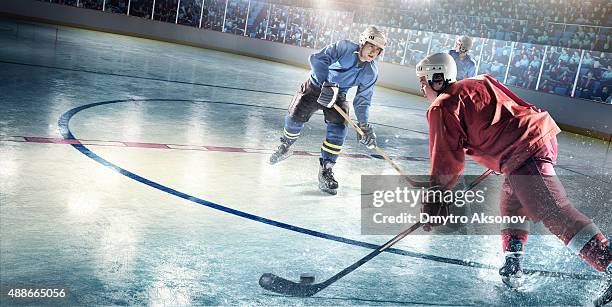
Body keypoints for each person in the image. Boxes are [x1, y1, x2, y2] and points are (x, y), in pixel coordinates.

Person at [415, 53, 611, 305]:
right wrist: (500, 152)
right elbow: (509, 109)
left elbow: (445, 159)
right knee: (512, 201)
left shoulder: (442, 105)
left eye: (423, 80)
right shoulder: (479, 81)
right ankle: (512, 261)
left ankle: (608, 261)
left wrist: (436, 199)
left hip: (524, 151)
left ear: (438, 78)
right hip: (536, 139)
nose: (422, 87)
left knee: (553, 210)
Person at [269, 26, 386, 195]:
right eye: (371, 46)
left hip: (338, 95)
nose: (374, 52)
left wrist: (364, 125)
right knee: (294, 120)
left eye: (378, 50)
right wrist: (325, 84)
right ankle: (285, 145)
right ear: (362, 42)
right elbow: (317, 59)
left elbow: (363, 100)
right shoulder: (344, 47)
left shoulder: (371, 72)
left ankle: (326, 169)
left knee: (338, 131)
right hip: (315, 86)